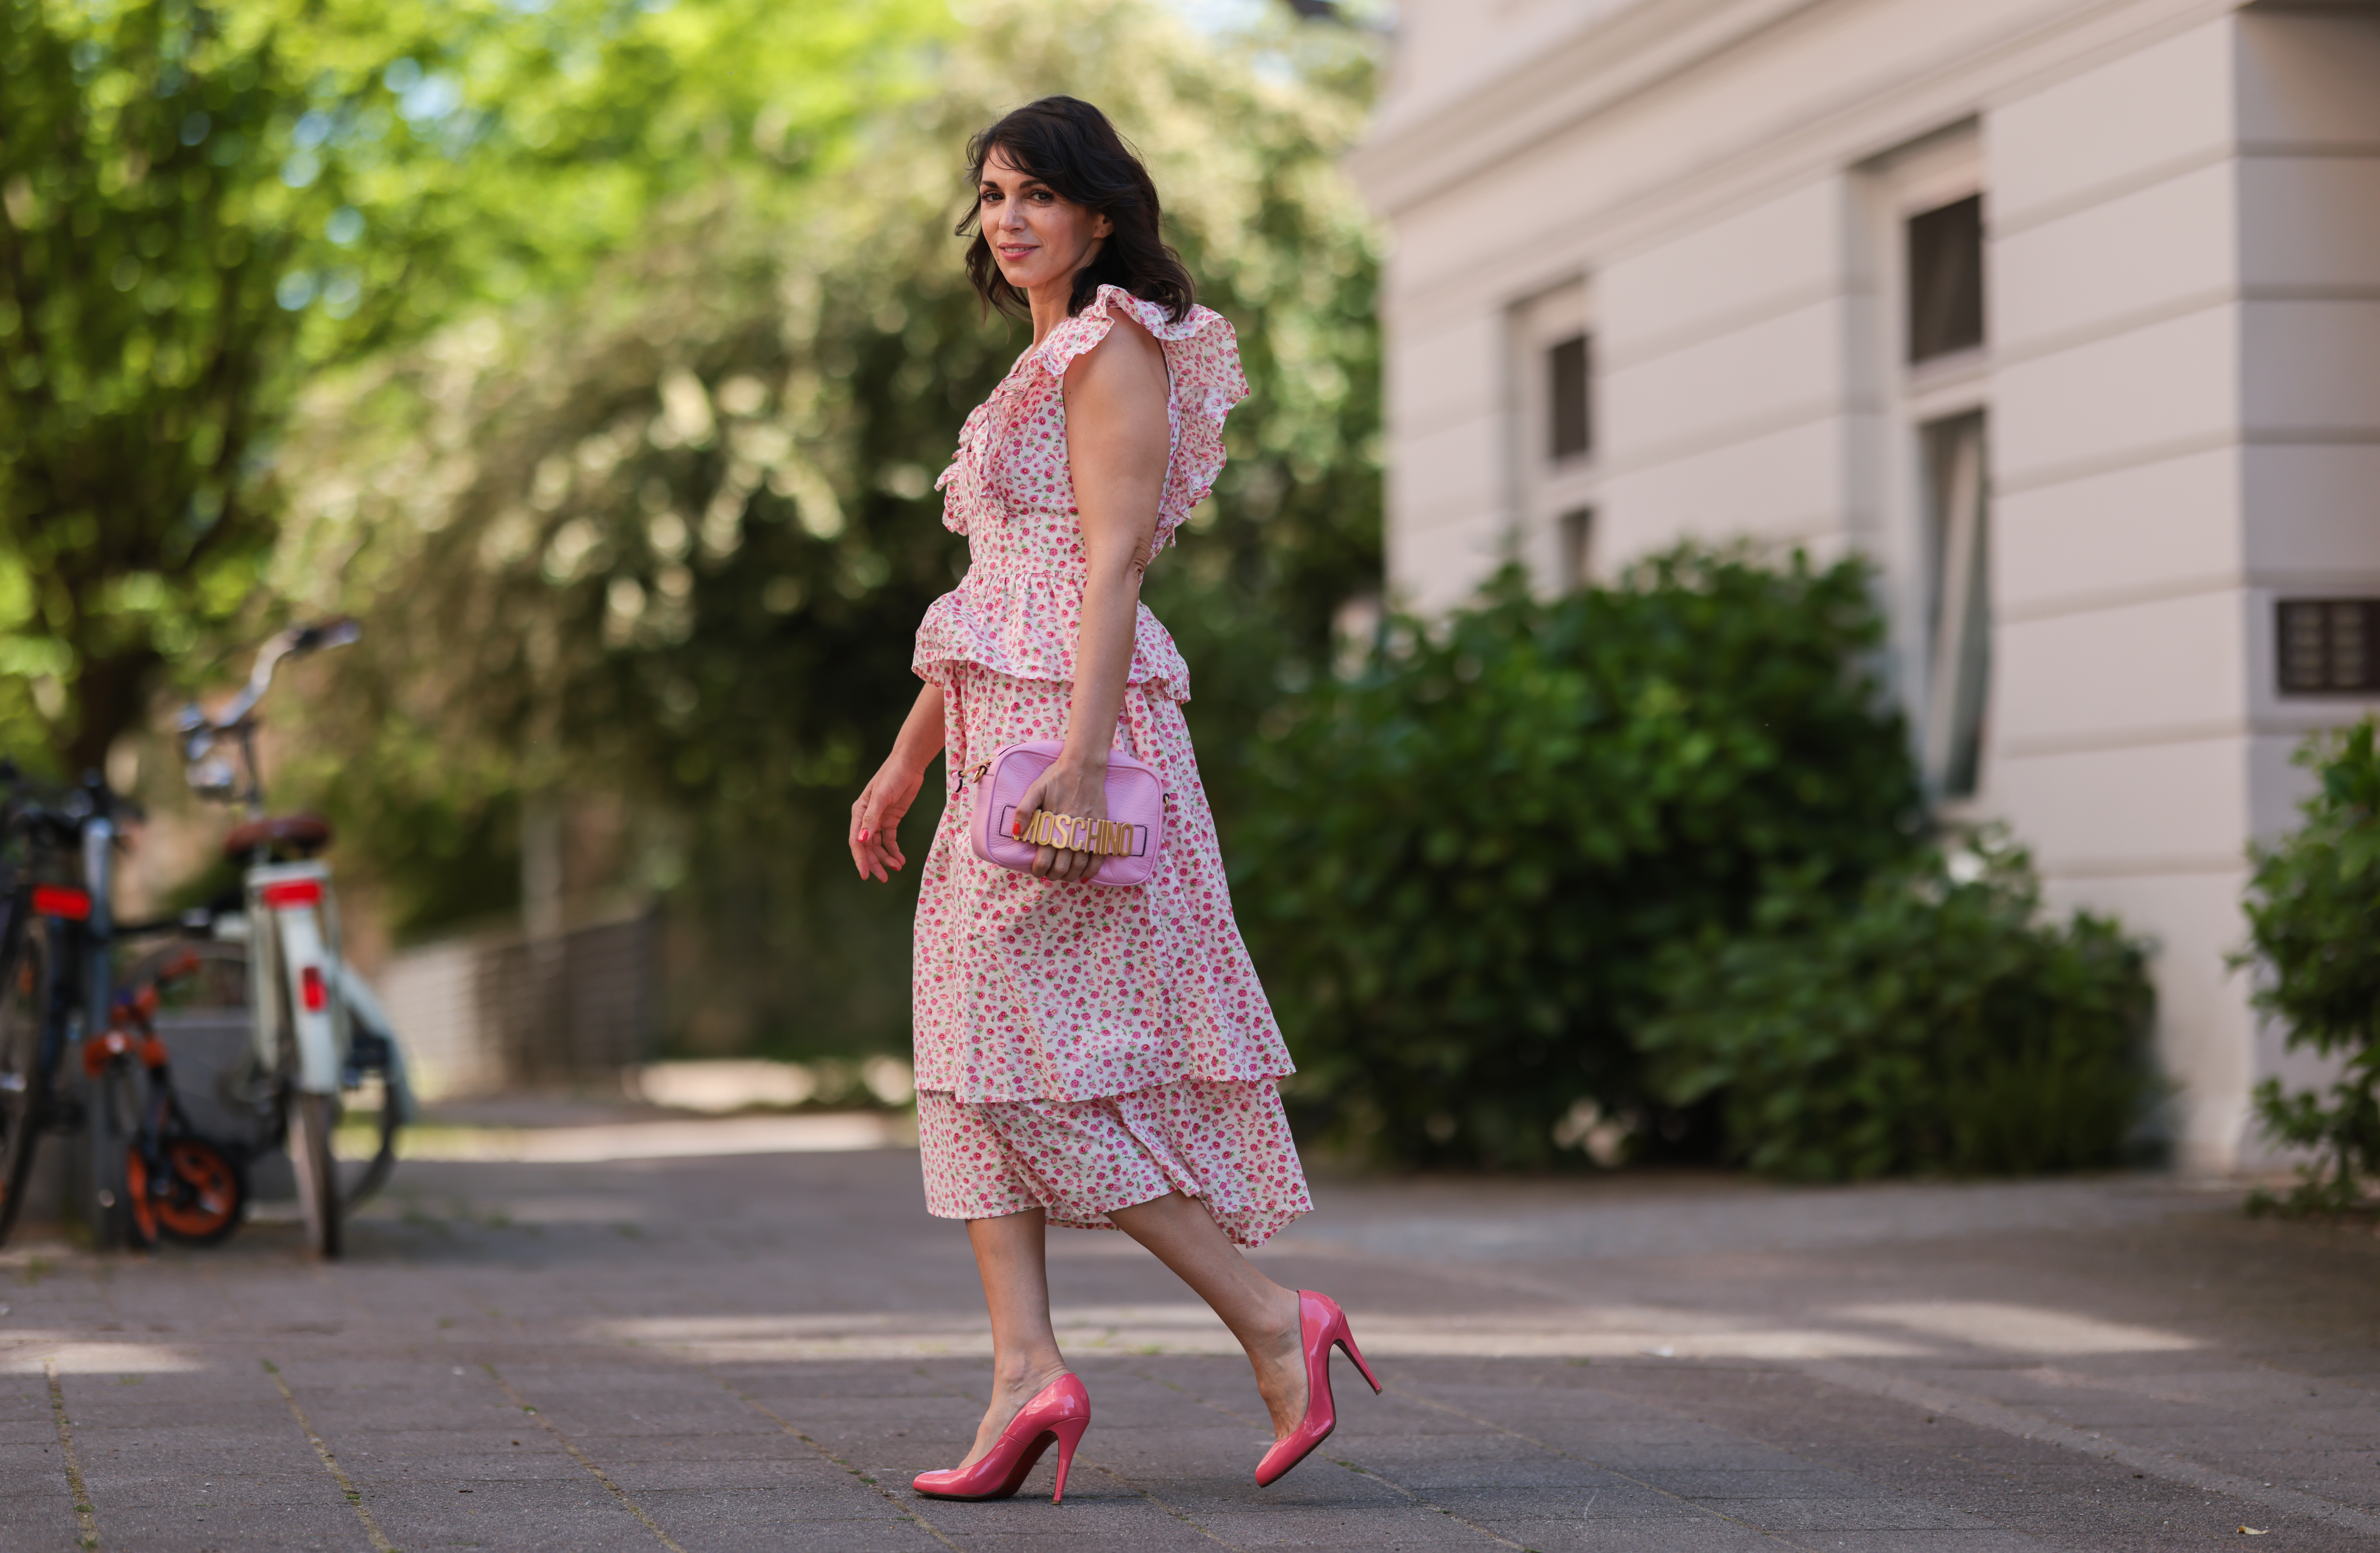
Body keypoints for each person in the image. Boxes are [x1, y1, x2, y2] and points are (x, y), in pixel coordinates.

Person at [847, 96, 1374, 1504]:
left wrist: (1082, 761)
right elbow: (992, 597)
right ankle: (1024, 1370)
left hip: (1075, 735)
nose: (1010, 217)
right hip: (995, 730)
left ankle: (1275, 1316)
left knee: (1024, 1054)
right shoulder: (1034, 362)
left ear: (1097, 211)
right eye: (992, 194)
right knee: (966, 1043)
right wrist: (911, 754)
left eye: (1037, 192)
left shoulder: (1114, 346)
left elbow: (1115, 565)